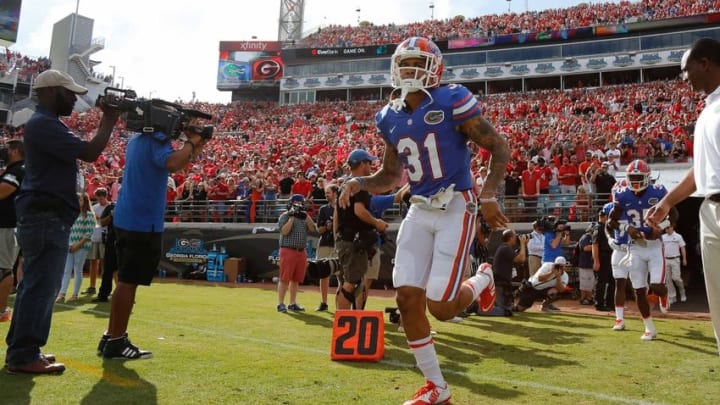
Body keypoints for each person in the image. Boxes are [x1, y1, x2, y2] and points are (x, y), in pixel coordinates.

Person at [339, 37, 509, 405]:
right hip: (418, 206)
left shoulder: (452, 99)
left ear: (436, 68)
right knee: (406, 298)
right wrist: (359, 182)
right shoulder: (388, 115)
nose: (410, 70)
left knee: (443, 308)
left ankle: (483, 279)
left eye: (418, 62)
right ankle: (437, 388)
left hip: (455, 206)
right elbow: (389, 175)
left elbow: (498, 146)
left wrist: (489, 194)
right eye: (405, 63)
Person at [5, 70, 122, 374]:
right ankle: (23, 354)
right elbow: (91, 152)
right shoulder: (44, 124)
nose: (74, 98)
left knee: (36, 285)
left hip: (45, 215)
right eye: (68, 92)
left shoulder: (45, 124)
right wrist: (109, 119)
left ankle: (23, 349)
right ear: (49, 92)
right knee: (41, 287)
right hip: (47, 215)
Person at [98, 104, 211, 360]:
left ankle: (111, 336)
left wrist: (193, 146)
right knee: (128, 282)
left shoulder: (139, 138)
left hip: (128, 217)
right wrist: (191, 143)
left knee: (124, 281)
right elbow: (172, 164)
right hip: (141, 221)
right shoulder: (156, 140)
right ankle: (116, 341)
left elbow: (175, 162)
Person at [647, 38, 720, 347]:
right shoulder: (707, 110)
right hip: (710, 209)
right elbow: (701, 171)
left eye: (685, 69)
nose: (683, 77)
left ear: (704, 63)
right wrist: (667, 202)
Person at [608, 159, 677, 341]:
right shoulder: (622, 195)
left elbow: (675, 214)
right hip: (634, 247)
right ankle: (650, 328)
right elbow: (610, 222)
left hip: (654, 245)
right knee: (639, 290)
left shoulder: (658, 191)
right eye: (632, 177)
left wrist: (661, 227)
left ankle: (663, 294)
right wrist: (625, 229)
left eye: (639, 177)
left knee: (655, 286)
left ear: (647, 177)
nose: (635, 181)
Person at [334, 149, 389, 311]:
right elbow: (359, 210)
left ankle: (345, 320)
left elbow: (337, 214)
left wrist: (336, 236)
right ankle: (343, 321)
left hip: (345, 239)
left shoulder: (344, 184)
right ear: (362, 164)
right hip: (353, 241)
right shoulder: (359, 185)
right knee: (351, 284)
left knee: (349, 282)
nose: (371, 166)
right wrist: (376, 222)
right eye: (369, 163)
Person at [276, 194, 318, 313]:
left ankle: (292, 303)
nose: (299, 205)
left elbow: (312, 228)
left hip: (301, 250)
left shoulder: (304, 217)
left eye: (301, 203)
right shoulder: (284, 216)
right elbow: (284, 231)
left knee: (296, 279)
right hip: (288, 249)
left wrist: (306, 216)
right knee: (284, 278)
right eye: (297, 203)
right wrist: (292, 217)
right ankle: (280, 303)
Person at [0, 139, 24, 323]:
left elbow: (4, 190)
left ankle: (1, 311)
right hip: (6, 225)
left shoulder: (18, 169)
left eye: (7, 147)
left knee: (3, 270)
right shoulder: (13, 169)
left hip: (7, 226)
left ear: (15, 151)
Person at [56, 193, 96, 303]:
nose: (79, 202)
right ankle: (62, 293)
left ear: (85, 202)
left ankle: (75, 294)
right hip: (69, 245)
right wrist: (68, 244)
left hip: (81, 246)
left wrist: (78, 245)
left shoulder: (89, 215)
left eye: (81, 200)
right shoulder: (72, 214)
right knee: (66, 270)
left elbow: (89, 233)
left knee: (78, 269)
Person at [479, 229, 527, 316]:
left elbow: (519, 256)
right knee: (505, 311)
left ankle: (482, 308)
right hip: (500, 284)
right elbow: (521, 259)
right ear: (510, 238)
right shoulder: (505, 248)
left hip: (502, 283)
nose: (516, 238)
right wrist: (523, 243)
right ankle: (478, 309)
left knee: (508, 309)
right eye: (515, 236)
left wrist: (523, 244)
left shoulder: (505, 247)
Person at [314, 184, 338, 312]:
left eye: (328, 192)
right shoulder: (323, 209)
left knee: (341, 275)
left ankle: (341, 304)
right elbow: (319, 229)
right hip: (324, 243)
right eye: (326, 192)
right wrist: (327, 227)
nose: (326, 195)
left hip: (338, 245)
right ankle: (323, 303)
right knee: (323, 274)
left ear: (335, 193)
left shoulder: (342, 207)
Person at [84, 187, 111, 296]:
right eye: (98, 198)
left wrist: (99, 219)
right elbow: (92, 222)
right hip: (94, 237)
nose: (99, 201)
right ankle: (92, 286)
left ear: (106, 197)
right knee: (93, 262)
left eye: (101, 198)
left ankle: (104, 287)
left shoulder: (110, 207)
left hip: (105, 238)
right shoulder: (94, 207)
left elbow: (104, 222)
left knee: (105, 264)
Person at [92, 197, 117, 303]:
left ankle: (126, 295)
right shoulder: (110, 207)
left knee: (124, 271)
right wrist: (111, 215)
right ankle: (103, 295)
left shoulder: (130, 207)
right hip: (111, 242)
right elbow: (102, 223)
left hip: (126, 242)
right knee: (107, 270)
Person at [592, 205, 615, 312]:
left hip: (610, 256)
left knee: (612, 281)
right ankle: (599, 303)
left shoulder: (607, 227)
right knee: (601, 281)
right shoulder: (599, 228)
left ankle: (610, 303)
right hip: (602, 256)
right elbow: (595, 245)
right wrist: (596, 261)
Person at [662, 224, 687, 304]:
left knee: (676, 278)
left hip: (675, 259)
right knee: (668, 279)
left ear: (672, 228)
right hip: (666, 260)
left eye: (668, 228)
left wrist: (684, 259)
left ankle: (682, 291)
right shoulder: (663, 237)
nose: (666, 229)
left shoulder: (678, 236)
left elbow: (682, 247)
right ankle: (673, 296)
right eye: (665, 228)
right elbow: (661, 248)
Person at [576, 225, 595, 306]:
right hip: (585, 264)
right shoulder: (585, 237)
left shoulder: (593, 238)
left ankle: (589, 298)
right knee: (584, 283)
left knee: (590, 283)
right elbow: (585, 248)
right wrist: (597, 245)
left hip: (590, 264)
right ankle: (583, 298)